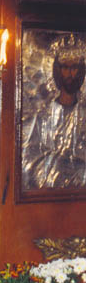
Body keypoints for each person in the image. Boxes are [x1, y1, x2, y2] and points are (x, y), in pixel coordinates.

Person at [22, 40, 86, 189]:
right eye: (65, 67)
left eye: (74, 67)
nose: (70, 73)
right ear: (57, 70)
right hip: (48, 188)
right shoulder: (44, 115)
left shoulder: (84, 112)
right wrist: (57, 162)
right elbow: (30, 155)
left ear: (81, 71)